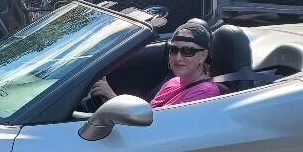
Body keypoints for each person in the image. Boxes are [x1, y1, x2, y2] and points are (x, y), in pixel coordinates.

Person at [90, 19, 222, 108]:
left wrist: (111, 97)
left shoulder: (205, 92)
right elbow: (149, 113)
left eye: (187, 51)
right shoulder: (173, 82)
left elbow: (159, 125)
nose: (178, 58)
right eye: (173, 50)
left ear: (203, 55)